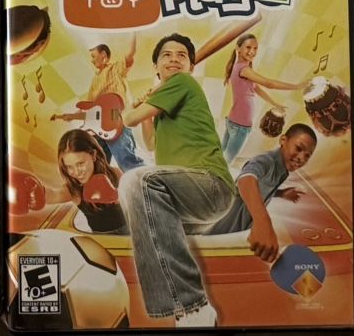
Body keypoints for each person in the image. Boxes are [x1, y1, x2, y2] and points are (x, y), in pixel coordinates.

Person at [117, 33, 236, 328]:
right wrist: (148, 109)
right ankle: (182, 310)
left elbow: (128, 119)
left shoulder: (183, 82)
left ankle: (192, 304)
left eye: (182, 55)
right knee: (137, 203)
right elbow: (150, 145)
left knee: (135, 182)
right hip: (184, 201)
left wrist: (136, 107)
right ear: (156, 66)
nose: (174, 59)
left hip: (210, 185)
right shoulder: (164, 105)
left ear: (190, 66)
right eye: (166, 55)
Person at [208, 126, 318, 265]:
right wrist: (263, 223)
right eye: (298, 148)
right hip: (224, 221)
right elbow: (245, 180)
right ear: (283, 140)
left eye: (307, 155)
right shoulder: (266, 160)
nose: (302, 158)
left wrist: (281, 193)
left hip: (239, 228)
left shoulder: (283, 170)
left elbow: (262, 187)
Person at [55, 38, 143, 172]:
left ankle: (150, 182)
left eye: (93, 56)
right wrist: (71, 116)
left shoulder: (115, 69)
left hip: (117, 122)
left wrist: (133, 32)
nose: (91, 60)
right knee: (98, 168)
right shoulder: (95, 80)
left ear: (103, 55)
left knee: (126, 161)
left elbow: (130, 53)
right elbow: (91, 111)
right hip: (99, 130)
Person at [220, 33, 300, 162]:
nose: (252, 51)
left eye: (255, 48)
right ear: (238, 48)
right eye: (248, 47)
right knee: (226, 160)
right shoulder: (244, 70)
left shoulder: (239, 67)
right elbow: (269, 84)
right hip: (240, 126)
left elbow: (257, 89)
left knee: (221, 157)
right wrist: (296, 86)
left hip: (233, 121)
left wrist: (275, 103)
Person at [56, 128, 126, 235]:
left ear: (93, 155)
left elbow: (133, 200)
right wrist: (34, 192)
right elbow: (54, 195)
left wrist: (116, 196)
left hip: (131, 232)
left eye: (80, 163)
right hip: (104, 240)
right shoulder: (73, 189)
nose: (77, 172)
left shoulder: (114, 173)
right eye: (69, 166)